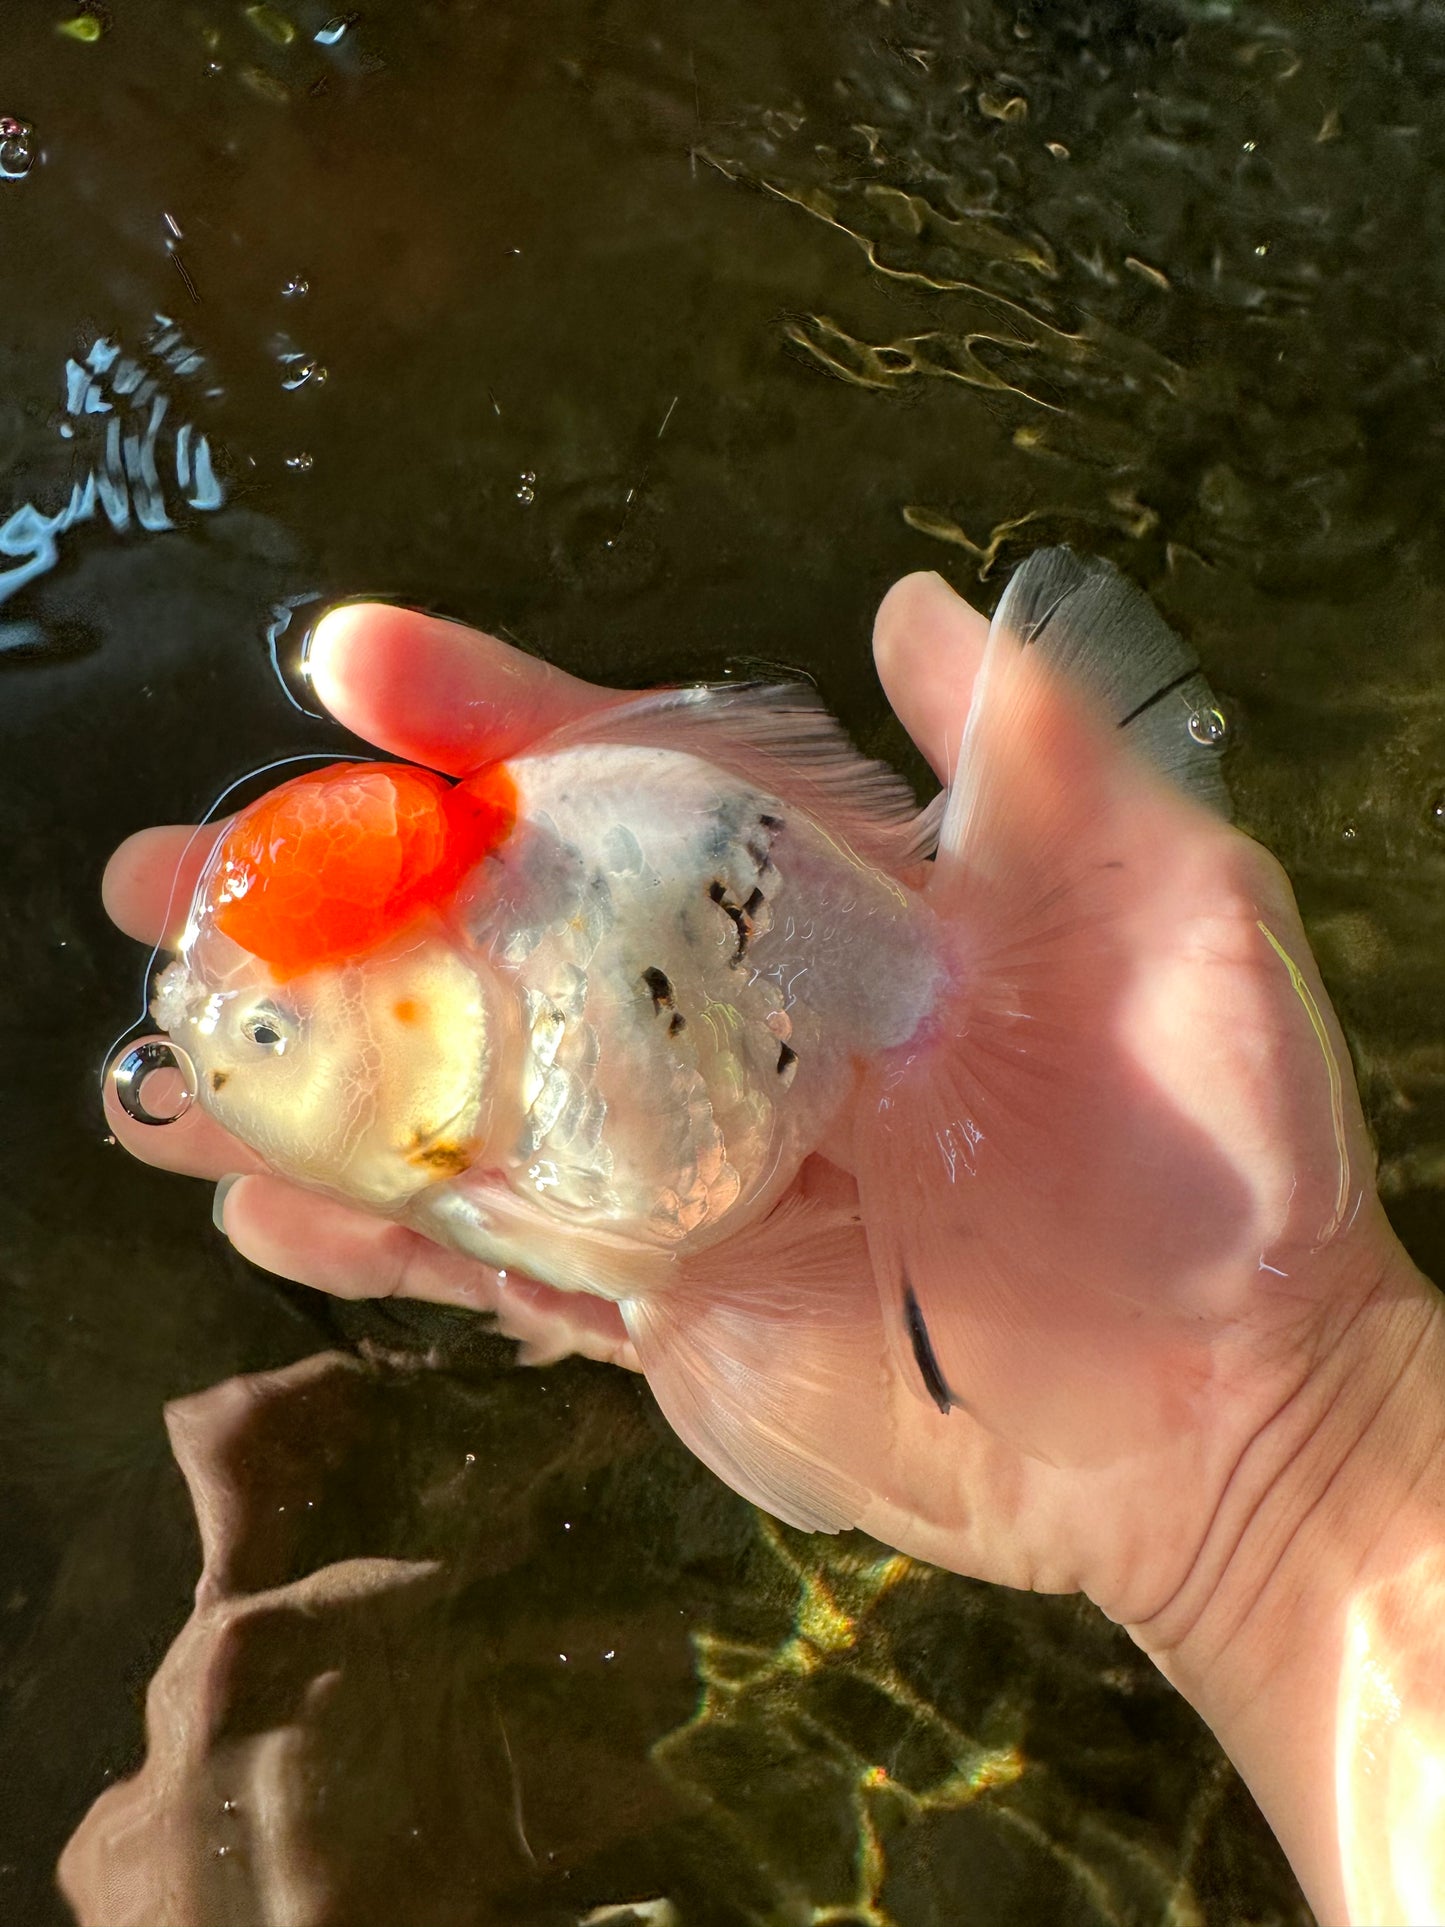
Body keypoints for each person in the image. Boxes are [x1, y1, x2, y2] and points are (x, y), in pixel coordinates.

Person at [103, 570, 1445, 1927]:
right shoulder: (467, 1114)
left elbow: (649, 1246)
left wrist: (1278, 1433)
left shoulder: (484, 1119)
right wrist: (1286, 1475)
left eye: (269, 1038)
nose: (223, 1063)